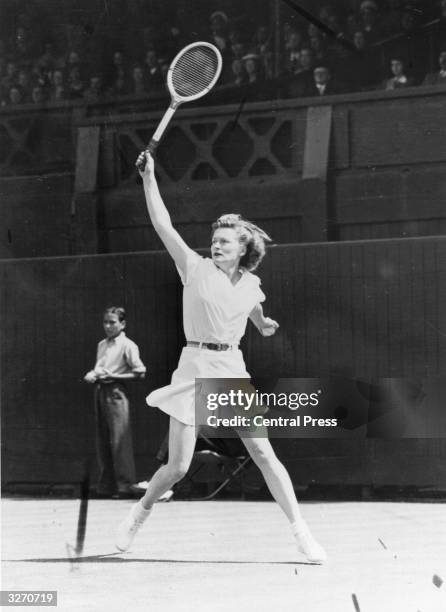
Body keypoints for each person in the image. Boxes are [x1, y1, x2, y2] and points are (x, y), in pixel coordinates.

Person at [115, 152, 327, 564]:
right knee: (177, 466)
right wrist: (149, 178)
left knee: (264, 454)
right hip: (193, 369)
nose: (216, 243)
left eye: (225, 240)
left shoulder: (252, 285)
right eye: (215, 239)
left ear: (242, 249)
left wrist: (263, 326)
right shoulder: (193, 267)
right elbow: (163, 224)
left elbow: (256, 310)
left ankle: (302, 535)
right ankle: (138, 515)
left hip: (231, 371)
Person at [84, 306, 146, 498]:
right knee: (102, 439)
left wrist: (115, 375)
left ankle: (125, 485)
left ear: (122, 324)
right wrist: (93, 374)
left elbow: (140, 372)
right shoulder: (102, 344)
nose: (108, 326)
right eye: (105, 322)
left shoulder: (128, 345)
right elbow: (100, 367)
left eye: (113, 322)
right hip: (100, 391)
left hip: (116, 392)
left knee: (119, 440)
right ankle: (107, 486)